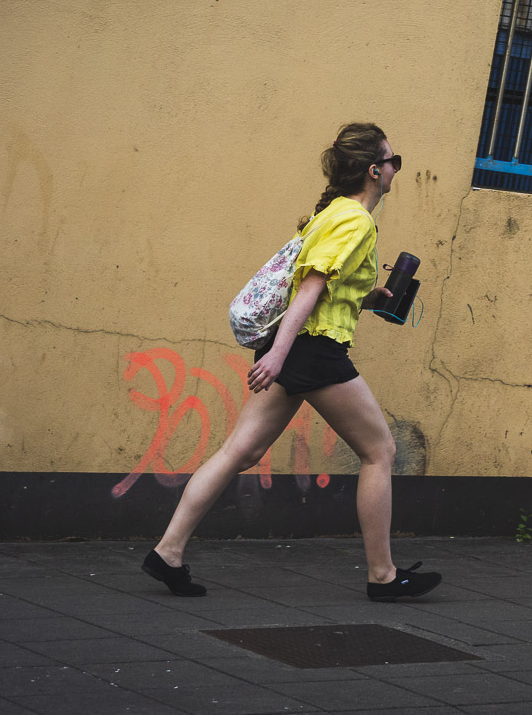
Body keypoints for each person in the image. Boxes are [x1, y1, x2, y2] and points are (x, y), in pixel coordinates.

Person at [142, 123, 441, 602]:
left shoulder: (332, 213)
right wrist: (279, 356)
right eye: (393, 162)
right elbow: (311, 287)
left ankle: (167, 552)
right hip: (312, 349)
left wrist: (366, 299)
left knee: (239, 452)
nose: (395, 171)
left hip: (295, 346)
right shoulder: (355, 220)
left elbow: (322, 289)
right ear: (373, 170)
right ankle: (383, 576)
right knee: (379, 452)